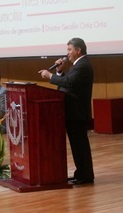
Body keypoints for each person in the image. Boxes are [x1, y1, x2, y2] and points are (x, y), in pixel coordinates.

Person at [38, 37, 94, 185]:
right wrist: (59, 71)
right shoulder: (76, 66)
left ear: (78, 50)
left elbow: (69, 83)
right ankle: (81, 174)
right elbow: (67, 84)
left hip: (77, 112)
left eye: (69, 50)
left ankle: (85, 176)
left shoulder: (83, 65)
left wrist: (50, 76)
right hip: (72, 112)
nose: (67, 53)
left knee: (80, 146)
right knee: (77, 146)